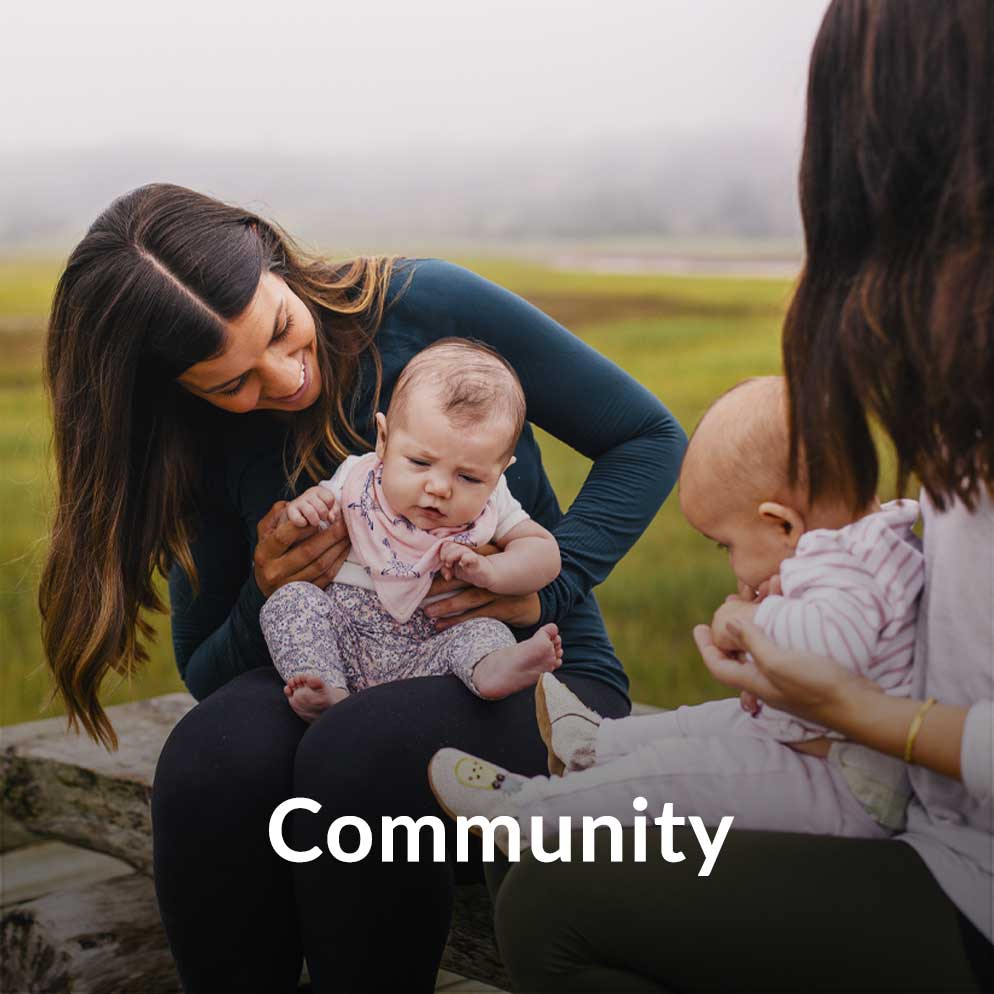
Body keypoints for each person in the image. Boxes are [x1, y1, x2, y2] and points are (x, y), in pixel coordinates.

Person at [38, 182, 686, 993]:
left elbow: (649, 437)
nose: (282, 379)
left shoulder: (425, 303)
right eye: (232, 383)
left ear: (269, 254)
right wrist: (264, 591)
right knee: (208, 762)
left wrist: (546, 594)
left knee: (362, 753)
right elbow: (210, 674)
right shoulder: (194, 436)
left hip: (529, 684)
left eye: (278, 330)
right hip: (346, 674)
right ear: (181, 391)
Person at [486, 1, 994, 990]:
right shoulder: (958, 399)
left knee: (555, 907)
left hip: (960, 875)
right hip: (934, 828)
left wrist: (859, 709)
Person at [428, 375, 921, 843]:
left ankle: (532, 811)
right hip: (823, 742)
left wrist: (750, 623)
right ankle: (595, 744)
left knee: (680, 777)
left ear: (783, 526)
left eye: (725, 546)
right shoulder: (868, 547)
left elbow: (838, 652)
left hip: (848, 784)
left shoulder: (846, 573)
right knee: (701, 722)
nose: (731, 564)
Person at [261, 337, 564, 722]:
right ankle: (327, 690)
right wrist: (303, 509)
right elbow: (307, 522)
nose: (439, 488)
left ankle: (493, 671)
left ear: (499, 473)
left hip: (433, 646)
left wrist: (493, 572)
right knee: (290, 602)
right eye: (420, 462)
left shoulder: (494, 501)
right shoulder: (358, 477)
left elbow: (544, 553)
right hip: (345, 636)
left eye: (469, 476)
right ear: (384, 440)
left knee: (484, 631)